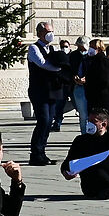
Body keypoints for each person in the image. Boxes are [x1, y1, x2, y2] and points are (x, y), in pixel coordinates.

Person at [26, 21, 66, 164]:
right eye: (48, 32)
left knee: (49, 122)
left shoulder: (52, 48)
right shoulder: (33, 48)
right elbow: (43, 64)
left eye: (52, 31)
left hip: (52, 90)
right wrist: (59, 68)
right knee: (43, 120)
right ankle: (35, 153)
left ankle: (42, 152)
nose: (51, 34)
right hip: (39, 90)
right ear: (40, 33)